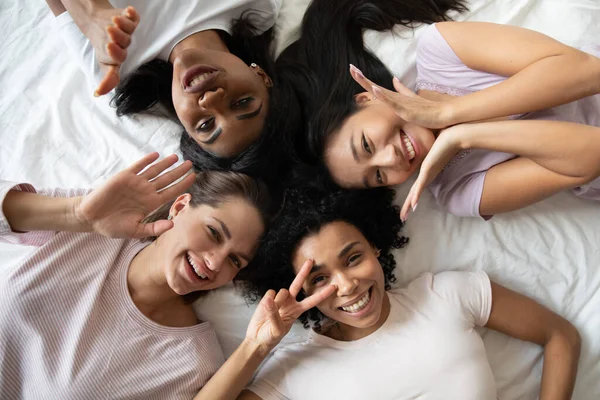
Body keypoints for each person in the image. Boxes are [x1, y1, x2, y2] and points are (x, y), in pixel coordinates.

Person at [236, 185, 581, 400]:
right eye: (320, 280)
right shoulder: (292, 370)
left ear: (375, 247)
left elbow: (560, 336)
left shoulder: (447, 294)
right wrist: (256, 346)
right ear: (300, 292)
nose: (346, 285)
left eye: (353, 258)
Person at [280, 0, 600, 220]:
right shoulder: (457, 192)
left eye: (366, 145)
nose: (390, 159)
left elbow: (589, 72)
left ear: (366, 99)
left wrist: (450, 113)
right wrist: (462, 136)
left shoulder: (443, 52)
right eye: (377, 176)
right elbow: (592, 155)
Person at [0, 153, 282, 399]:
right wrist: (76, 214)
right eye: (213, 233)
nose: (214, 262)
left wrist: (256, 347)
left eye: (235, 260)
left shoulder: (191, 361)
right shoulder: (94, 224)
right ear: (180, 207)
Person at [45, 0, 294, 179]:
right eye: (241, 102)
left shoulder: (114, 65)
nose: (211, 100)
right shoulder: (256, 7)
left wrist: (91, 13)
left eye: (206, 125)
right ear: (260, 75)